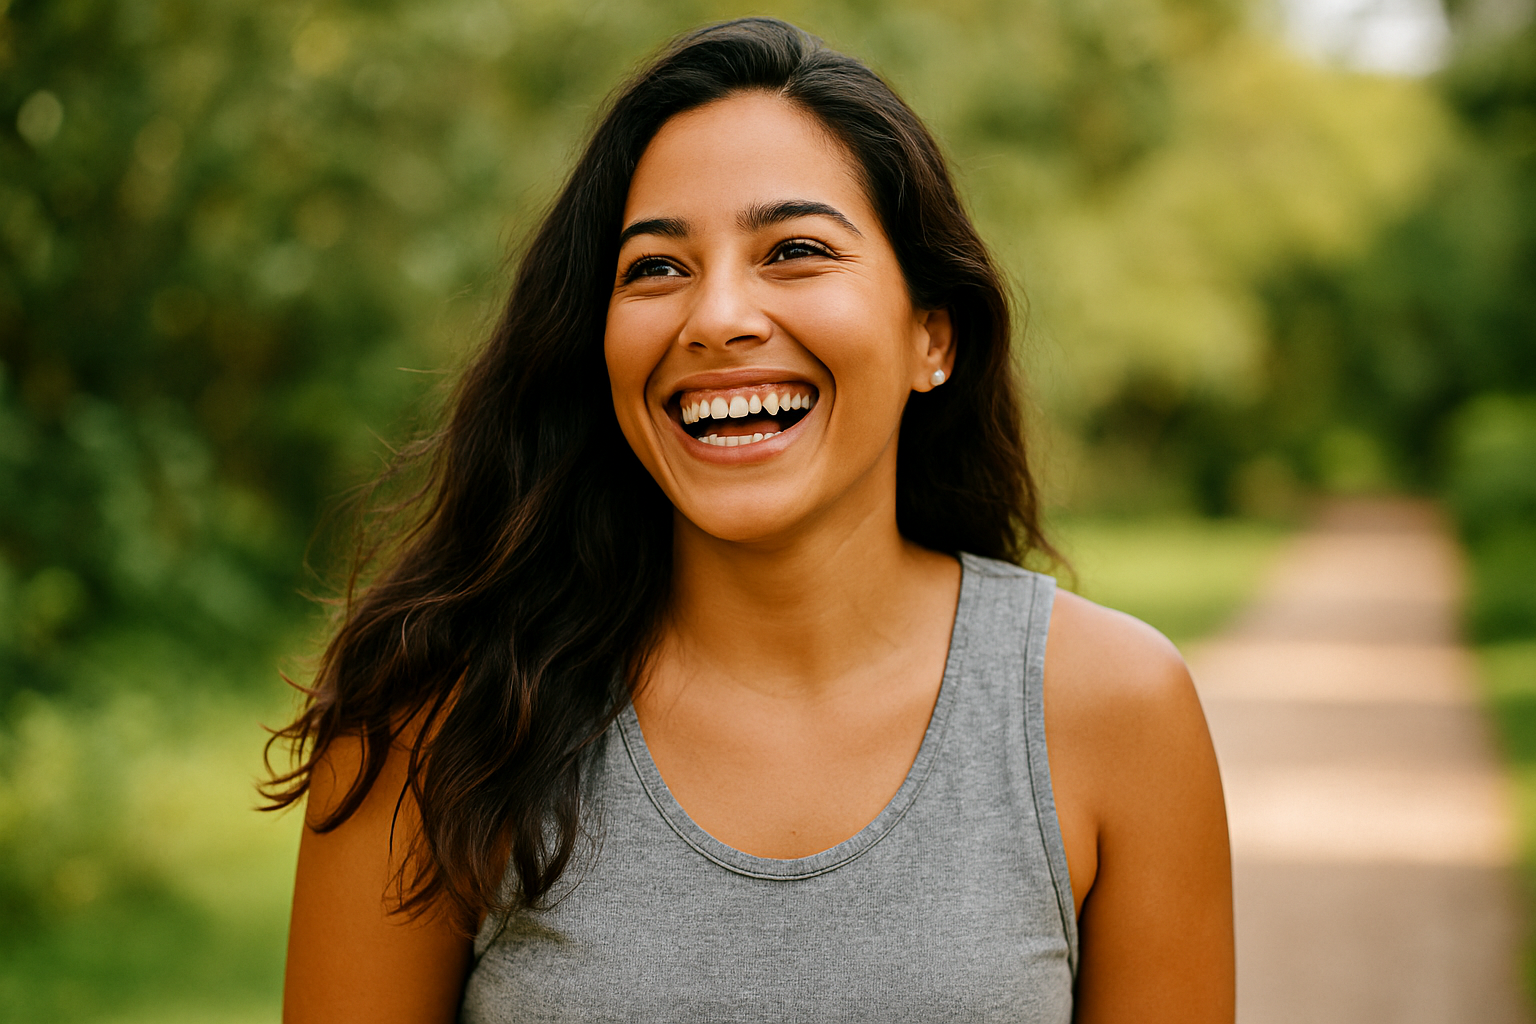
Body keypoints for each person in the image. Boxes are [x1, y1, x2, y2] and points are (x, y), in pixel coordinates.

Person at [269, 17, 1233, 1023]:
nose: (716, 315)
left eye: (797, 251)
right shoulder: (436, 723)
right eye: (655, 267)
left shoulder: (1117, 713)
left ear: (931, 338)